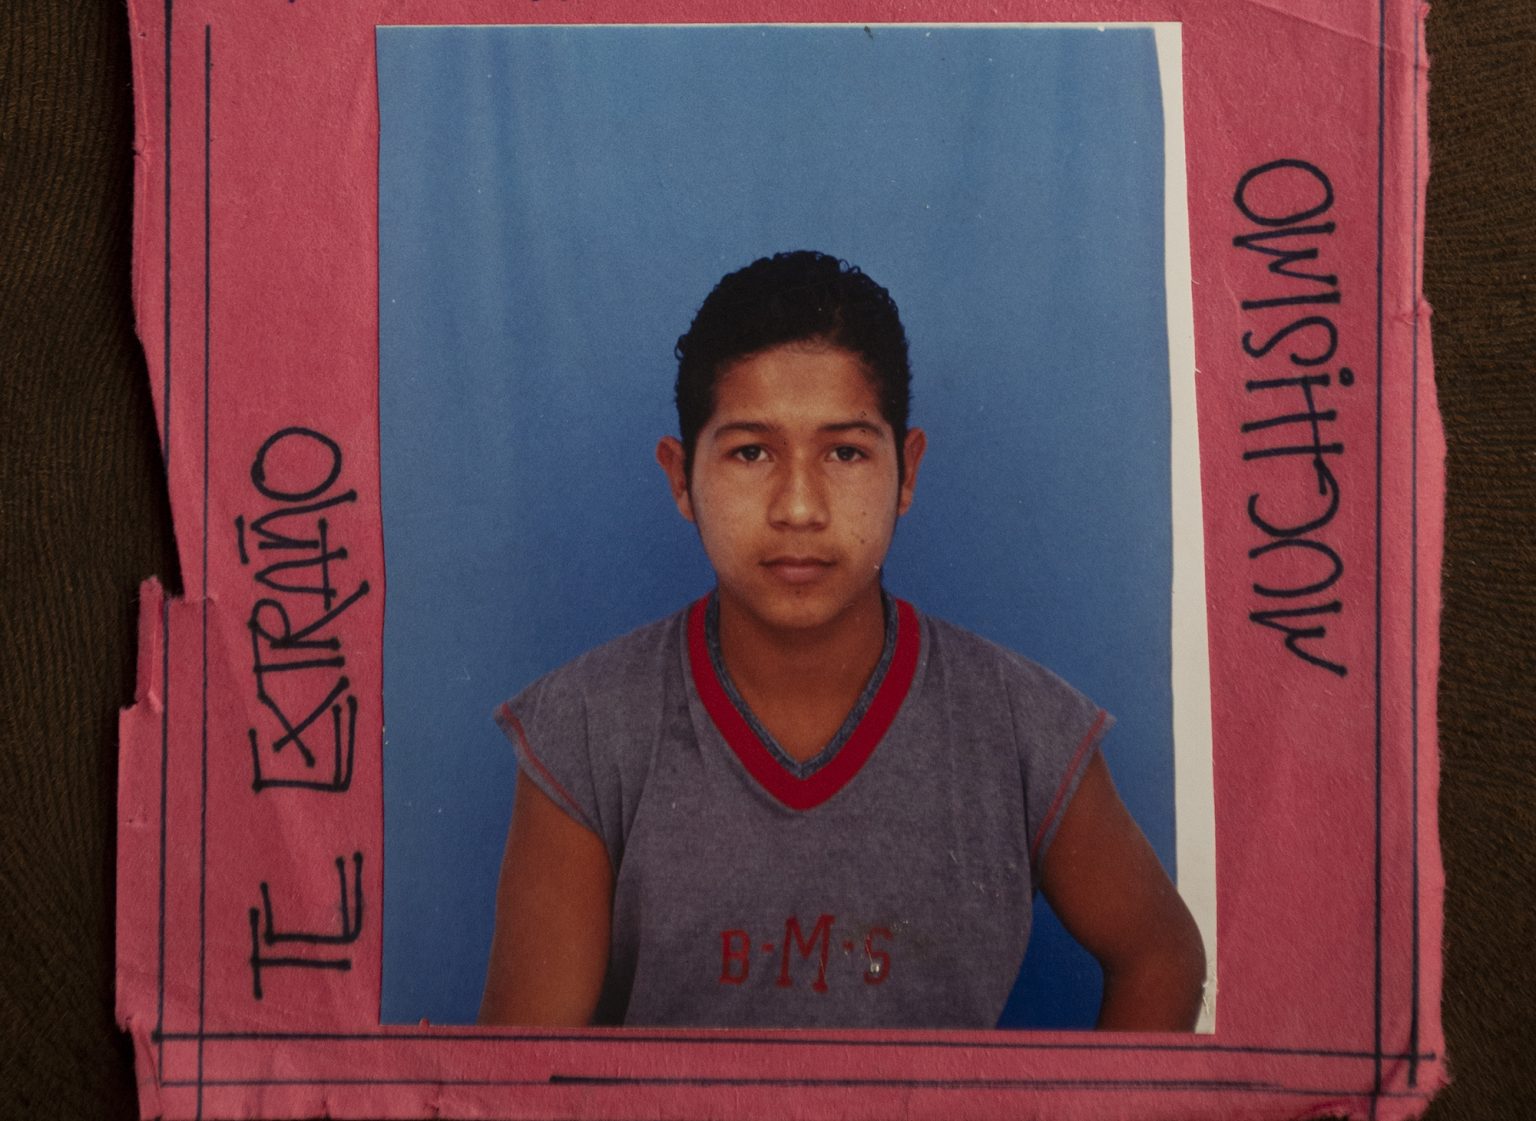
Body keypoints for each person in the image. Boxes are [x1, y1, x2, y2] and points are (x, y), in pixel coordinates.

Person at [478, 251, 1205, 1030]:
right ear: (681, 477)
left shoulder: (1020, 726)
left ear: (907, 472)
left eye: (846, 452)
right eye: (751, 451)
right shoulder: (588, 729)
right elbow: (523, 1067)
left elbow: (1162, 954)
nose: (799, 506)